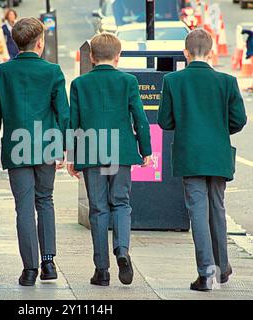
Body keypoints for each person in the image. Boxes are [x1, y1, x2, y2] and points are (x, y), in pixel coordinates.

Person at [0, 17, 70, 287]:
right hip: (47, 146)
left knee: (23, 209)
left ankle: (29, 269)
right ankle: (49, 263)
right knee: (45, 201)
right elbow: (63, 114)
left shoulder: (0, 73)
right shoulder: (53, 72)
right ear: (40, 43)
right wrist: (66, 147)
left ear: (15, 42)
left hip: (16, 148)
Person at [158, 29, 247, 292]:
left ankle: (205, 271)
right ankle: (222, 268)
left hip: (190, 154)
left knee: (197, 210)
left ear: (185, 52)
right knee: (217, 209)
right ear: (210, 52)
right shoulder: (227, 81)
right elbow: (239, 120)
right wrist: (218, 130)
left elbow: (165, 121)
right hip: (218, 154)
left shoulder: (173, 81)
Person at [67, 33, 152, 287]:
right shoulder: (128, 81)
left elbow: (74, 123)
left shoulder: (80, 84)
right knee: (122, 204)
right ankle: (122, 250)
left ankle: (101, 270)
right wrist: (145, 150)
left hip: (92, 154)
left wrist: (72, 155)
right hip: (122, 152)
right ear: (119, 56)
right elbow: (140, 118)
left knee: (98, 209)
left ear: (91, 57)